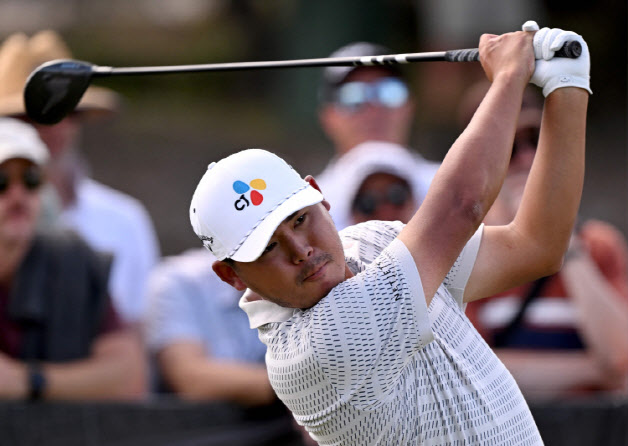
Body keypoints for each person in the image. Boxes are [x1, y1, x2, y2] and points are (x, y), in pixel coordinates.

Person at [189, 22, 590, 444]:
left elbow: (537, 247)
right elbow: (461, 206)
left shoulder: (373, 242)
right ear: (231, 275)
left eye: (299, 220)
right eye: (269, 246)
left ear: (319, 195)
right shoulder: (315, 350)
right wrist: (508, 76)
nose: (300, 250)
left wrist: (567, 86)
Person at [460, 81, 628, 399]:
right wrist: (595, 370)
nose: (527, 158)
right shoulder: (465, 254)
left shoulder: (599, 244)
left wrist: (565, 241)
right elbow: (470, 373)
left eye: (537, 142)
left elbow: (623, 357)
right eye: (510, 147)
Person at [0, 30, 160, 324]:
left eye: (66, 111)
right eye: (32, 114)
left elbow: (137, 334)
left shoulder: (125, 220)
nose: (53, 126)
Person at [0, 118, 146, 401]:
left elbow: (129, 376)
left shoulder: (74, 262)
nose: (18, 196)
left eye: (31, 180)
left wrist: (27, 380)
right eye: (1, 181)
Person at [315, 41, 439, 230]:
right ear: (328, 117)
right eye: (352, 96)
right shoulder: (305, 208)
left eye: (390, 91)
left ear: (410, 105)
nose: (374, 108)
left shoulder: (457, 187)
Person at [144, 247, 275, 405]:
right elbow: (190, 378)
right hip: (208, 419)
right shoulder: (178, 279)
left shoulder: (299, 271)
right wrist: (294, 384)